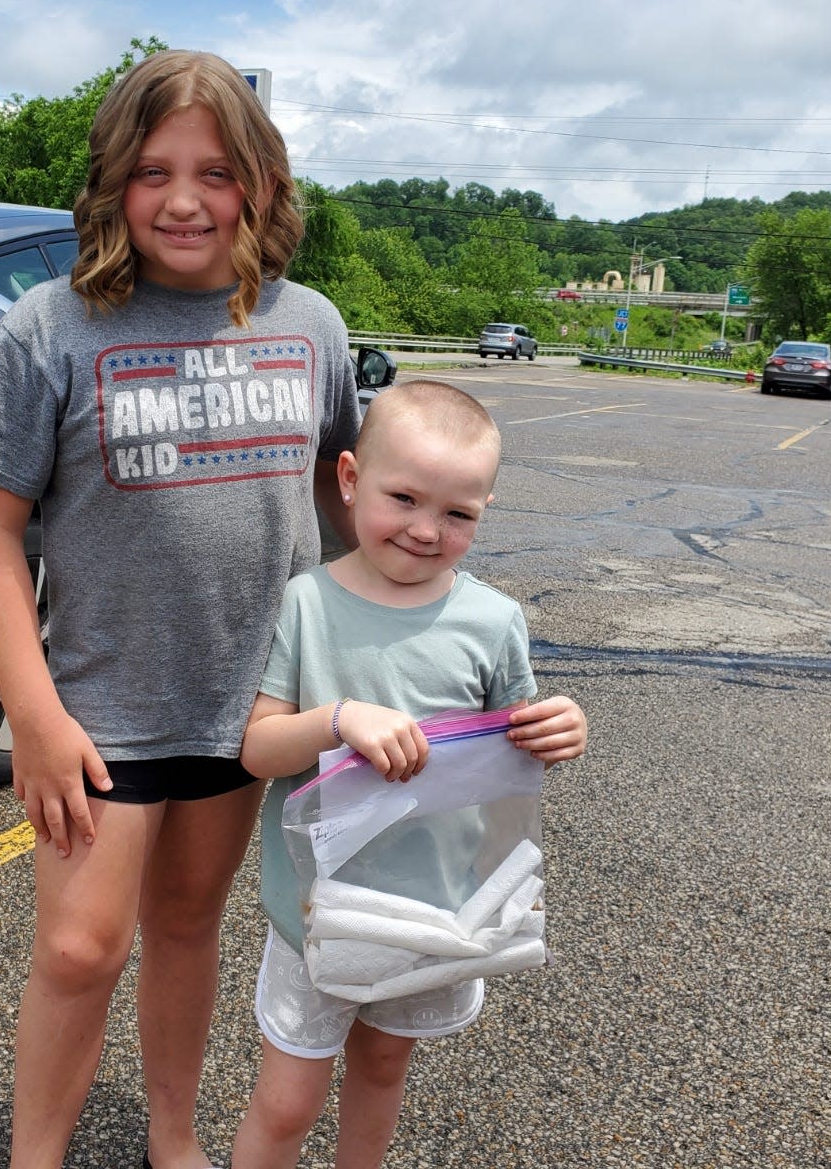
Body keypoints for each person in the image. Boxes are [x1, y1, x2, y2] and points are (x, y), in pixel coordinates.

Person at [0, 50, 363, 1169]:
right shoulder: (53, 326)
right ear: (114, 183)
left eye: (216, 171)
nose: (184, 200)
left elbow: (346, 501)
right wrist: (30, 713)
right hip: (99, 706)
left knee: (188, 926)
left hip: (248, 706)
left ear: (261, 184)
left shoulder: (308, 323)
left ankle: (169, 1140)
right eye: (155, 170)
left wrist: (424, 632)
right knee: (81, 948)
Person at [230, 380, 588, 1169]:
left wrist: (562, 727)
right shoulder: (307, 604)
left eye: (458, 514)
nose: (426, 531)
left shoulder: (494, 622)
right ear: (351, 480)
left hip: (437, 909)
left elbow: (517, 745)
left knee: (385, 1067)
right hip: (318, 910)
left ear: (485, 510)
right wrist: (337, 718)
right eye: (404, 498)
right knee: (287, 1099)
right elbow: (258, 749)